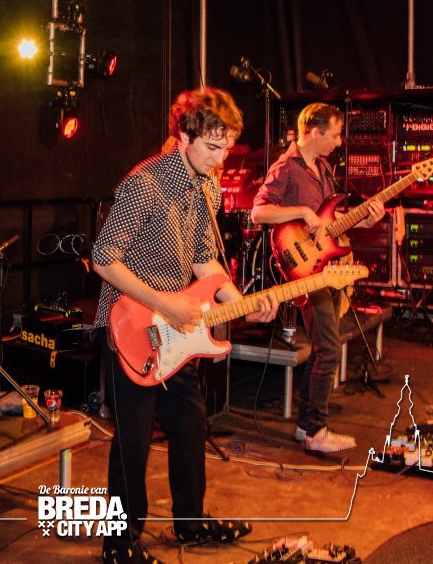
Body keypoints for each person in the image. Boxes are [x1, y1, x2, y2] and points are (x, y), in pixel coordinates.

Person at [92, 87, 277, 564]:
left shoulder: (206, 187)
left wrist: (241, 303)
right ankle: (119, 544)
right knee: (133, 440)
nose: (220, 160)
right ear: (184, 136)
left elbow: (203, 260)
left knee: (191, 423)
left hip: (175, 332)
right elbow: (103, 259)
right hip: (130, 327)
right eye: (212, 147)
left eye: (226, 149)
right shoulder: (143, 184)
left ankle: (190, 523)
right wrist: (164, 304)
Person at [249, 102, 383, 454]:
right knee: (329, 349)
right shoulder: (286, 168)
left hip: (327, 269)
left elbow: (330, 223)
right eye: (335, 135)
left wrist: (366, 220)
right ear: (313, 132)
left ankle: (306, 425)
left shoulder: (323, 169)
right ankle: (315, 431)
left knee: (324, 348)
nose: (339, 142)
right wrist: (302, 211)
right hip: (305, 270)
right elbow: (258, 212)